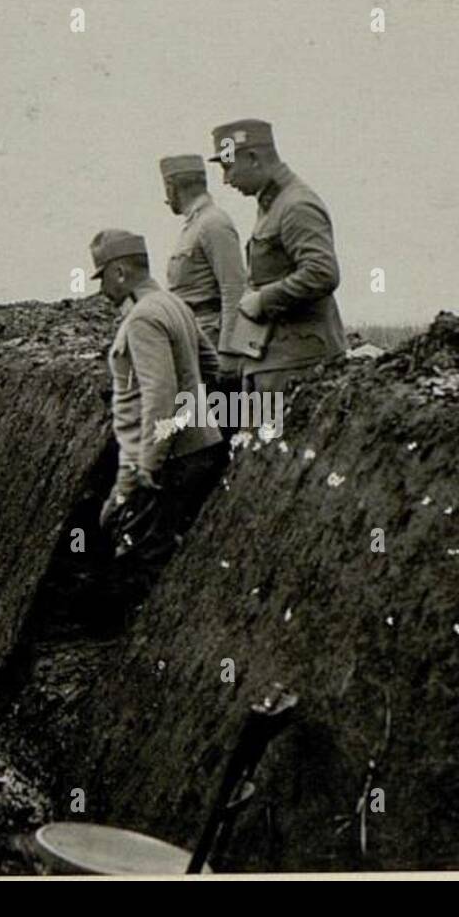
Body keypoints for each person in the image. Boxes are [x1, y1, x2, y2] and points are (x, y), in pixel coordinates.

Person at [90, 229, 224, 587]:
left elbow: (159, 394)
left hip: (169, 458)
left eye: (103, 276)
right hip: (201, 449)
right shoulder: (175, 304)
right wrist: (193, 412)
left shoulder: (142, 319)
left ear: (119, 272)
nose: (102, 289)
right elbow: (211, 367)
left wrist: (150, 461)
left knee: (145, 556)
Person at [208, 118, 346, 395]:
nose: (226, 179)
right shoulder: (272, 205)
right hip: (275, 361)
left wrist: (265, 299)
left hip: (297, 363)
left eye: (228, 167)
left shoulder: (296, 204)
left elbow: (322, 272)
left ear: (253, 158)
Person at [159, 153, 249, 389]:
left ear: (171, 188)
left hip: (212, 346)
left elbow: (234, 289)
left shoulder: (213, 223)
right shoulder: (196, 225)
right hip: (194, 342)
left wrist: (229, 351)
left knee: (220, 422)